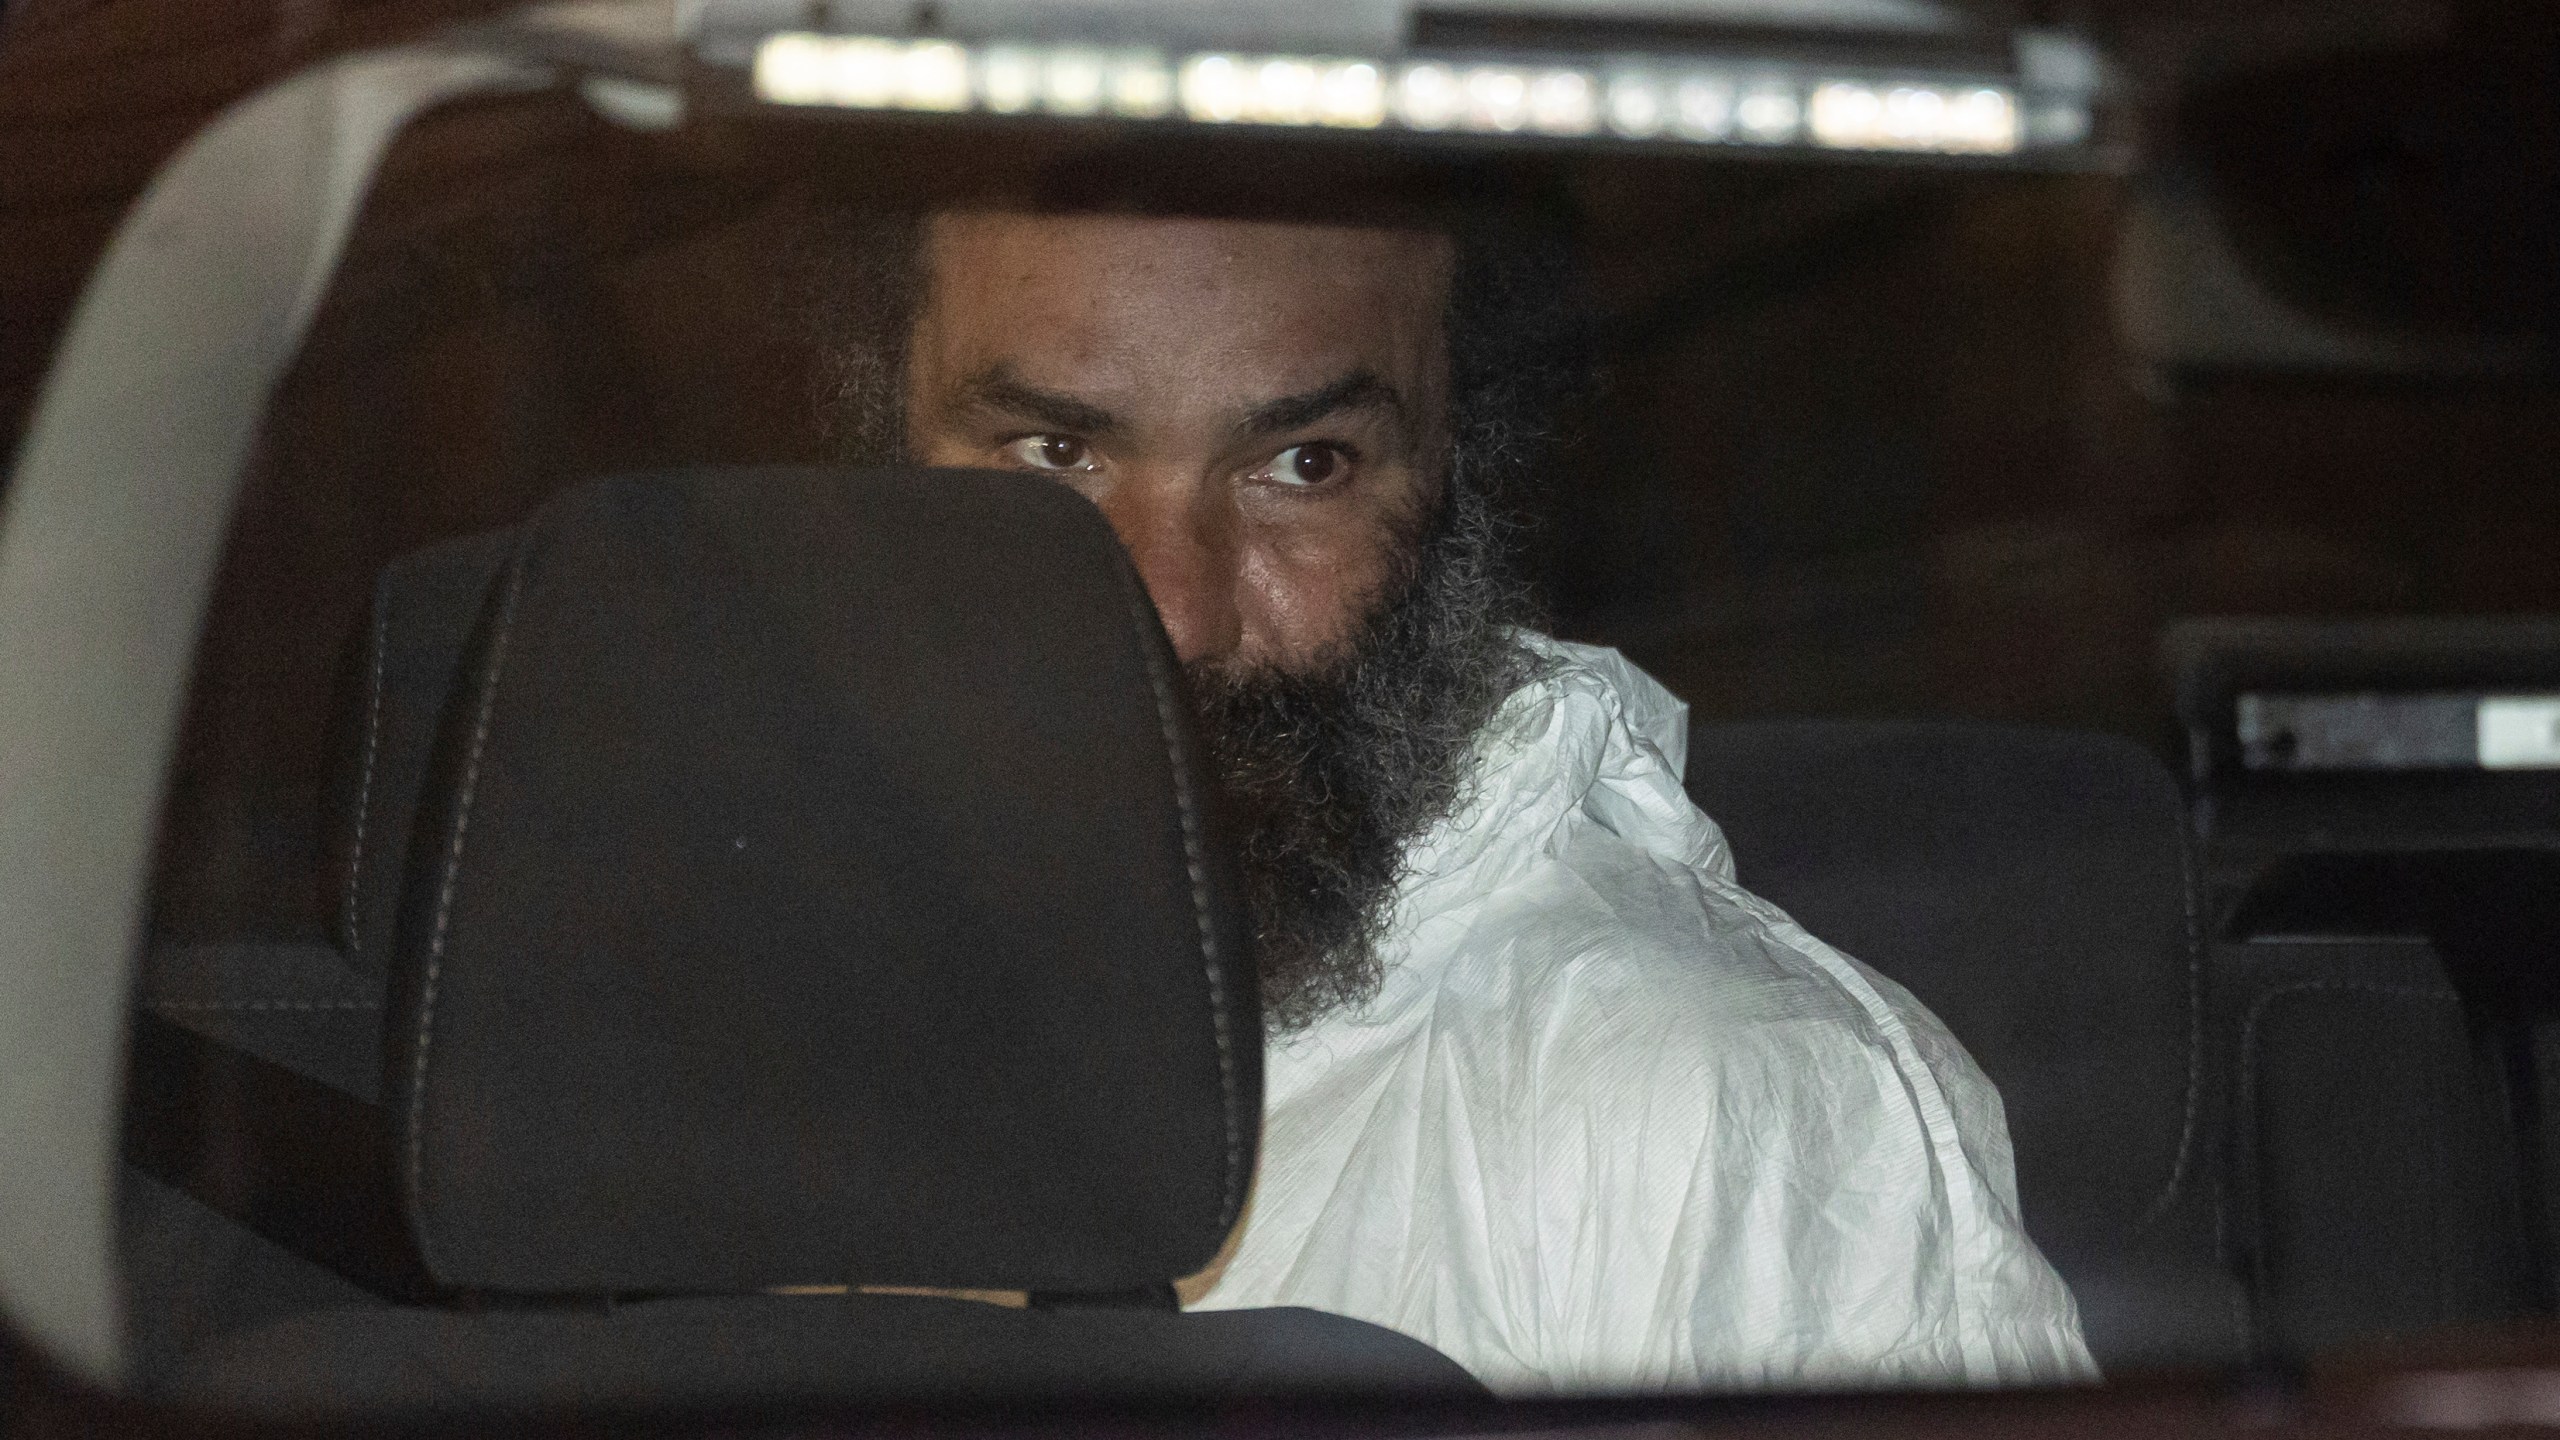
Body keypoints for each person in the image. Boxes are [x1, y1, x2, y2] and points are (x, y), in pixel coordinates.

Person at [804, 182, 2096, 1396]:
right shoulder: (700, 1016)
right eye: (1055, 452)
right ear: (876, 467)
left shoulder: (1695, 1101)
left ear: (1454, 500)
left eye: (1304, 464)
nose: (1174, 615)